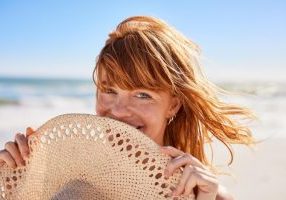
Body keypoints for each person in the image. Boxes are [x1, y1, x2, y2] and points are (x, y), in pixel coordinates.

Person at [0, 16, 255, 199]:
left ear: (173, 104)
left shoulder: (206, 194)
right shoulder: (61, 172)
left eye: (142, 94)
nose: (119, 110)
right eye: (109, 91)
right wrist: (11, 178)